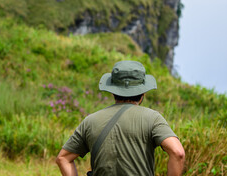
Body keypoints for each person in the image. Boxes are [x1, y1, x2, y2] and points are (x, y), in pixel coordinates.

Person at [56, 60, 185, 175]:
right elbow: (177, 153)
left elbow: (63, 159)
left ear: (113, 90)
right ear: (143, 92)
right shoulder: (153, 118)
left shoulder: (90, 121)